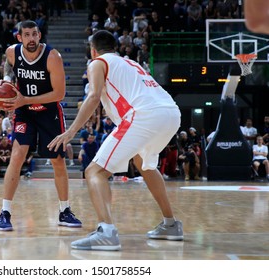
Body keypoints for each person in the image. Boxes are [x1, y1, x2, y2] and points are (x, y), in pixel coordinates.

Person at [47, 30, 183, 251]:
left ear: (93, 50)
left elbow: (93, 97)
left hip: (143, 116)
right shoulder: (132, 63)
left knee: (94, 171)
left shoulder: (97, 63)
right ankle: (171, 224)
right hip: (171, 113)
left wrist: (70, 132)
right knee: (144, 164)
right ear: (115, 48)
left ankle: (106, 232)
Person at [0, 20, 82, 231]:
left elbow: (59, 94)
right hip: (24, 113)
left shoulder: (52, 57)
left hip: (48, 112)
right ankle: (5, 212)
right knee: (17, 156)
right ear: (20, 38)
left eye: (34, 34)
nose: (31, 39)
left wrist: (24, 100)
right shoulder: (12, 52)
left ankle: (64, 210)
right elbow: (8, 64)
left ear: (39, 35)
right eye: (27, 35)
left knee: (57, 161)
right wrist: (7, 79)